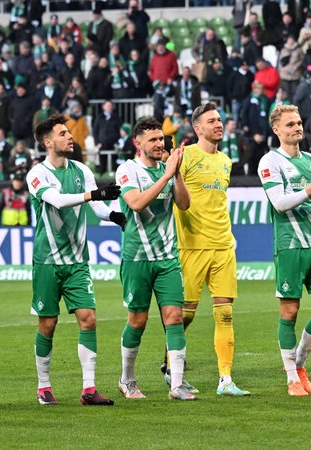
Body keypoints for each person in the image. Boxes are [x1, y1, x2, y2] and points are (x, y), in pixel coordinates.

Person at [27, 114, 126, 406]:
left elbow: (95, 207)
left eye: (69, 132)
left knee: (89, 318)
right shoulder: (37, 174)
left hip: (77, 260)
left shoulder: (82, 169)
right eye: (62, 133)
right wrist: (94, 193)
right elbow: (56, 200)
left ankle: (89, 389)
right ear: (48, 142)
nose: (70, 137)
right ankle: (44, 387)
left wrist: (112, 215)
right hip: (46, 260)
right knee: (48, 323)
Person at [258, 105, 311, 396]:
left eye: (299, 123)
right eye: (290, 124)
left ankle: (300, 363)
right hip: (290, 246)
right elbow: (279, 203)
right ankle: (292, 378)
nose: (297, 127)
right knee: (290, 311)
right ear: (277, 130)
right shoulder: (270, 161)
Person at [115, 116, 195, 401]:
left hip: (167, 258)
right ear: (138, 143)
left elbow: (184, 204)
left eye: (161, 139)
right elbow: (135, 204)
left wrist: (176, 173)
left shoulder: (167, 169)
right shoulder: (127, 170)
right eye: (153, 140)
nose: (160, 144)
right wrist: (165, 176)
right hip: (137, 258)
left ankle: (177, 384)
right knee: (137, 320)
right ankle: (127, 379)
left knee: (174, 316)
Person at [174, 103, 250, 396]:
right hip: (192, 246)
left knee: (225, 313)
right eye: (211, 121)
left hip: (223, 245)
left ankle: (226, 380)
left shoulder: (227, 161)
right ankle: (172, 365)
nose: (218, 124)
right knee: (186, 315)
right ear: (197, 128)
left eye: (220, 120)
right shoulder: (186, 157)